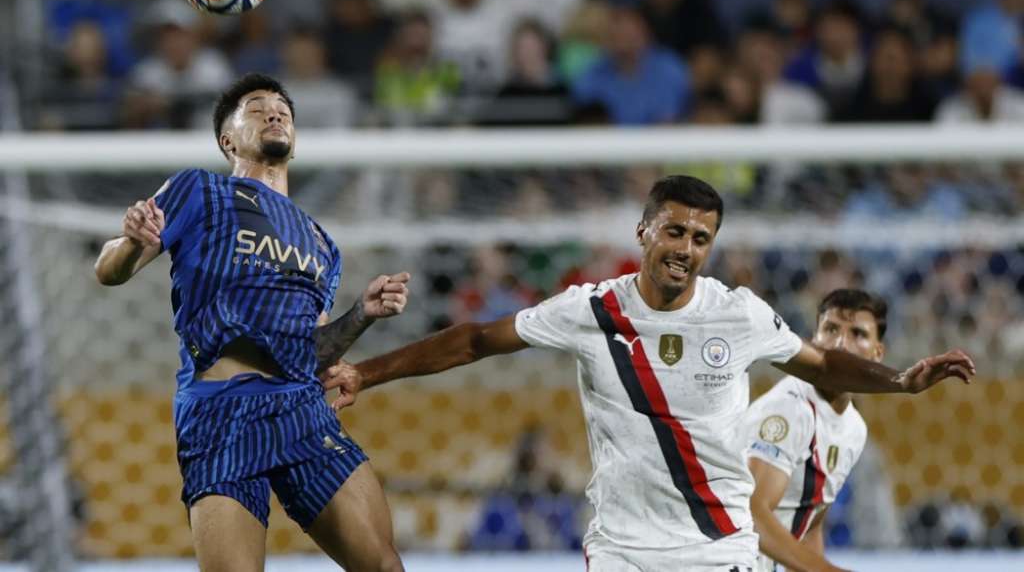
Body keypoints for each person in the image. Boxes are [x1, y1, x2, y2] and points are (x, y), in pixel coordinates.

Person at [323, 175, 975, 571]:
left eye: (700, 238)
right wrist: (366, 373)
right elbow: (474, 341)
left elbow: (822, 360)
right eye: (675, 231)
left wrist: (900, 381)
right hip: (623, 550)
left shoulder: (738, 313)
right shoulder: (591, 310)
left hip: (718, 547)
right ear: (643, 231)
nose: (686, 249)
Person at [94, 73, 407, 572]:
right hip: (221, 414)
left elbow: (314, 354)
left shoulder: (322, 243)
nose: (274, 112)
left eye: (282, 109)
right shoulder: (201, 190)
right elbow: (108, 271)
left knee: (384, 566)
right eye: (257, 108)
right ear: (228, 140)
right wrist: (131, 241)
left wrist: (362, 314)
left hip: (300, 408)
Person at [744, 289, 887, 572]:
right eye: (831, 329)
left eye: (857, 334)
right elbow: (751, 514)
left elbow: (810, 526)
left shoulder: (854, 429)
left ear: (877, 353)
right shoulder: (790, 409)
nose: (841, 344)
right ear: (814, 340)